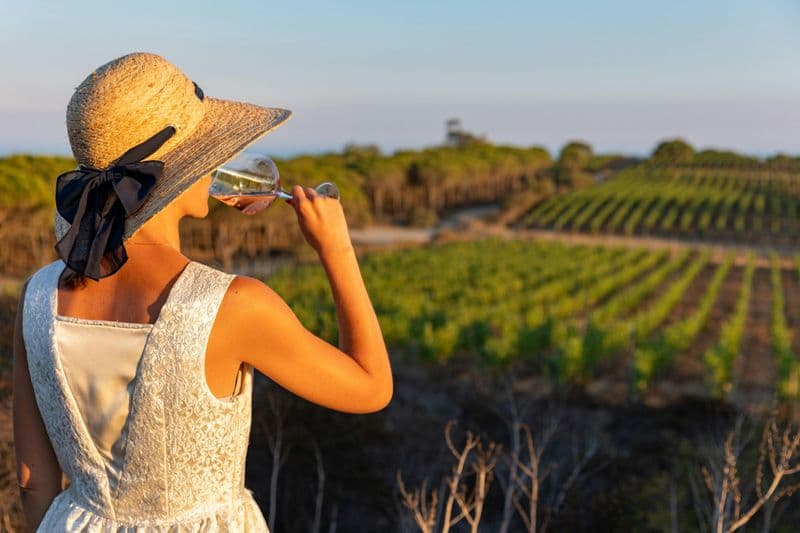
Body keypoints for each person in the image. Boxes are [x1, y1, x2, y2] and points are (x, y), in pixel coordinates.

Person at [12, 52, 393, 532]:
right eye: (209, 149)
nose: (218, 162)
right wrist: (336, 249)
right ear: (181, 167)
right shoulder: (231, 305)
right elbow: (371, 387)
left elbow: (32, 481)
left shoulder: (37, 295)